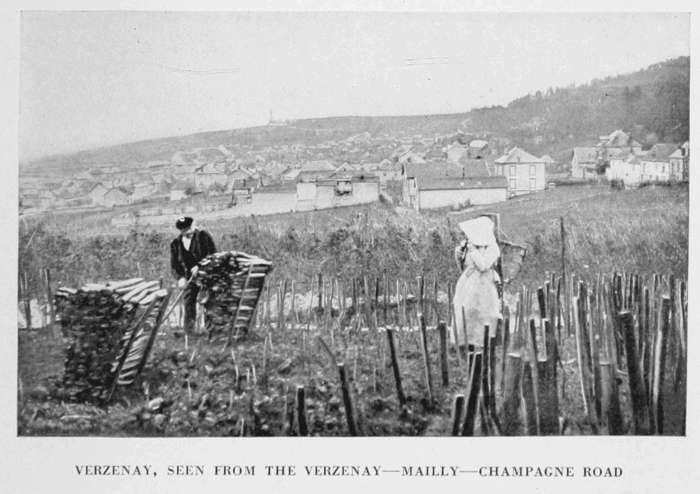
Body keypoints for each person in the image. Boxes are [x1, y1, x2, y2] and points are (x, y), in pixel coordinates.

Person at [452, 216, 501, 356]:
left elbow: (483, 266)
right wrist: (459, 254)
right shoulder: (469, 246)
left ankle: (484, 346)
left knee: (484, 314)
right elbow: (463, 268)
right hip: (468, 284)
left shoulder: (492, 248)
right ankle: (466, 345)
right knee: (465, 312)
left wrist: (473, 251)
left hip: (485, 285)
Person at [170, 216, 217, 334]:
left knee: (208, 302)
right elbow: (174, 265)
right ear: (180, 231)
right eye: (184, 230)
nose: (188, 231)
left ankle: (211, 331)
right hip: (188, 279)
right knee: (188, 303)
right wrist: (180, 278)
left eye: (189, 228)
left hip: (206, 276)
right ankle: (189, 334)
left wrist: (201, 266)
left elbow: (213, 256)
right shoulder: (176, 244)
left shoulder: (203, 237)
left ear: (193, 226)